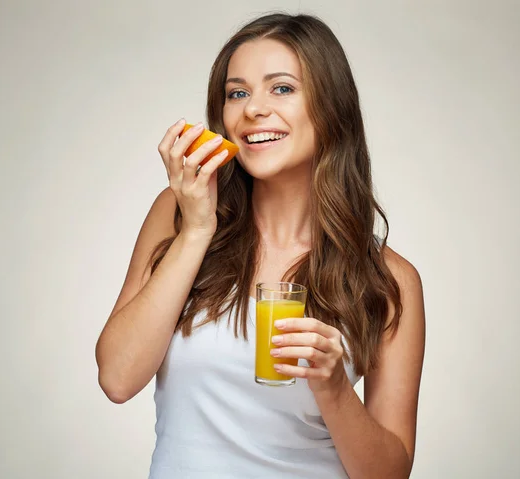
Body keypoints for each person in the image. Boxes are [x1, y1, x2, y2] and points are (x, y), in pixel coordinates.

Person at [95, 12, 425, 479]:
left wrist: (333, 387)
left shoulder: (391, 279)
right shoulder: (177, 212)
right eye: (237, 93)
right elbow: (117, 377)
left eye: (282, 88)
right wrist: (195, 232)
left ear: (331, 107)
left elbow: (389, 474)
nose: (253, 109)